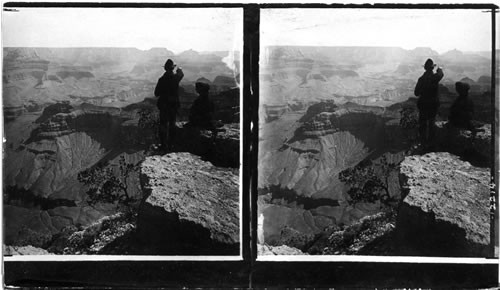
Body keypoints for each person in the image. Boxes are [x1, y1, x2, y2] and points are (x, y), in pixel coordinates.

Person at [154, 59, 184, 151]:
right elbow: (181, 74)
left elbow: (156, 93)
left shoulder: (161, 79)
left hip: (164, 105)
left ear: (165, 69)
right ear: (172, 68)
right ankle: (171, 145)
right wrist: (179, 69)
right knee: (172, 124)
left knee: (163, 125)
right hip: (173, 105)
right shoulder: (175, 78)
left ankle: (163, 145)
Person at [414, 58, 444, 149]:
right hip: (433, 105)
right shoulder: (435, 77)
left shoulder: (421, 79)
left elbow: (416, 93)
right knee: (431, 123)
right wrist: (440, 69)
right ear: (432, 68)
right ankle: (431, 144)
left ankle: (422, 143)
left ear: (425, 68)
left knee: (422, 124)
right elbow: (441, 74)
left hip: (423, 104)